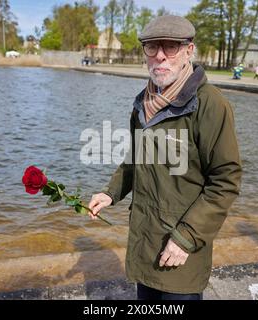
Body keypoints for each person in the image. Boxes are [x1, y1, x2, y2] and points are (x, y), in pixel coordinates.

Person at [88, 15, 242, 300]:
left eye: (170, 47)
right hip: (145, 244)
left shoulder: (210, 105)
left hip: (181, 252)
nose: (160, 56)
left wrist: (185, 239)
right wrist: (111, 193)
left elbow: (225, 181)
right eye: (152, 47)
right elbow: (136, 159)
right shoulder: (141, 105)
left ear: (188, 51)